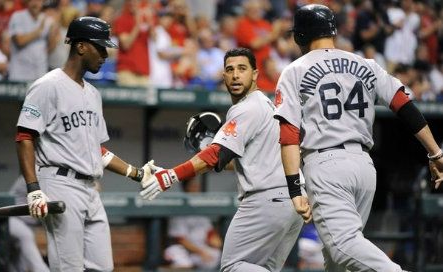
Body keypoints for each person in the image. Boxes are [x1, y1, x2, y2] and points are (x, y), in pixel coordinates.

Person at [274, 4, 443, 272]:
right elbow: (404, 104)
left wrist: (295, 188)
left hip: (326, 164)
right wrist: (435, 152)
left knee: (343, 246)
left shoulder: (295, 70)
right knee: (336, 260)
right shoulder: (366, 63)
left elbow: (289, 134)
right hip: (364, 168)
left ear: (300, 36)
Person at [140, 47, 310, 272]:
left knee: (232, 266)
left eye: (242, 69)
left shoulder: (247, 107)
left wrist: (170, 176)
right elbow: (238, 160)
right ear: (224, 77)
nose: (236, 75)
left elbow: (215, 156)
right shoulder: (264, 104)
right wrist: (201, 157)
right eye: (230, 70)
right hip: (290, 199)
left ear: (255, 74)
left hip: (266, 201)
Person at [15, 16, 149, 271]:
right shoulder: (47, 86)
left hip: (90, 188)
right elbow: (24, 137)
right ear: (81, 46)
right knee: (69, 267)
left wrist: (137, 173)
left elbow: (97, 151)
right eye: (100, 47)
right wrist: (33, 188)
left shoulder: (92, 93)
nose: (105, 55)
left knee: (102, 267)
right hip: (60, 183)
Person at [163, 178, 223, 270]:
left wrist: (218, 244)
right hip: (181, 250)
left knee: (217, 255)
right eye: (193, 186)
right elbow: (180, 240)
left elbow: (210, 233)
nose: (196, 188)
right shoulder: (179, 209)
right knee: (183, 263)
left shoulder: (200, 209)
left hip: (200, 248)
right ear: (186, 189)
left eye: (197, 186)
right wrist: (201, 252)